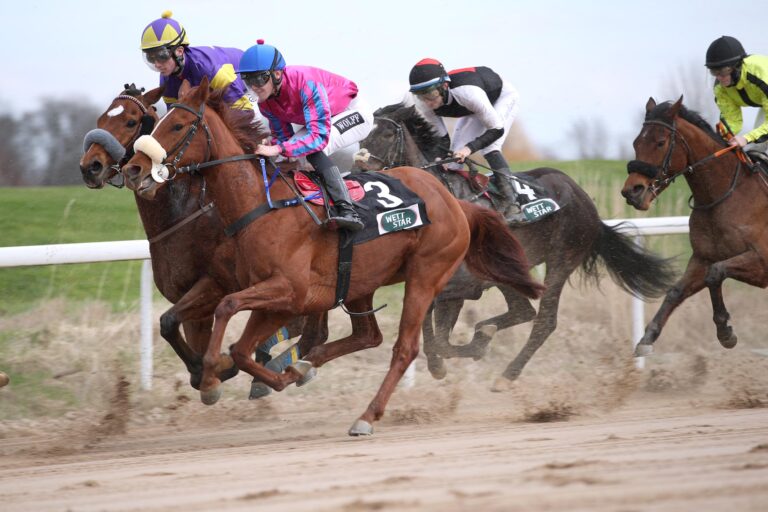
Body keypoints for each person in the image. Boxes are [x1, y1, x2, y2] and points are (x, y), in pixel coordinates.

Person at [238, 40, 373, 232]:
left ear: (277, 74)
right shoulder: (265, 102)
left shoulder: (305, 82)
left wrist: (278, 148)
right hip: (321, 120)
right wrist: (272, 144)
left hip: (352, 112)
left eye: (259, 79)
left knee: (313, 149)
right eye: (248, 80)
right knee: (293, 150)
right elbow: (284, 139)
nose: (254, 86)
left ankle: (348, 210)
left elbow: (318, 138)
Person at [407, 58, 524, 218]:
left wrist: (468, 149)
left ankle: (513, 205)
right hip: (472, 108)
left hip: (500, 97)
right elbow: (442, 139)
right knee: (453, 160)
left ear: (444, 86)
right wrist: (442, 157)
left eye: (431, 94)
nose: (428, 101)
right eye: (421, 95)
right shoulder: (422, 104)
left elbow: (497, 129)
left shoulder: (468, 93)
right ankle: (456, 203)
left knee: (489, 147)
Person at [140, 11, 254, 114]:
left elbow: (245, 111)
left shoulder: (208, 68)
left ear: (179, 51)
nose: (157, 64)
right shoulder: (166, 80)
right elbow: (175, 116)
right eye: (151, 57)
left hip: (251, 76)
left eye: (161, 56)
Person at [705, 36, 768, 154]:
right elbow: (732, 120)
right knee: (755, 148)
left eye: (722, 72)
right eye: (714, 72)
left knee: (756, 139)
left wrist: (746, 138)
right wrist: (716, 139)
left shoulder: (761, 75)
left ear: (737, 67)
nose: (718, 77)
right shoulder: (720, 88)